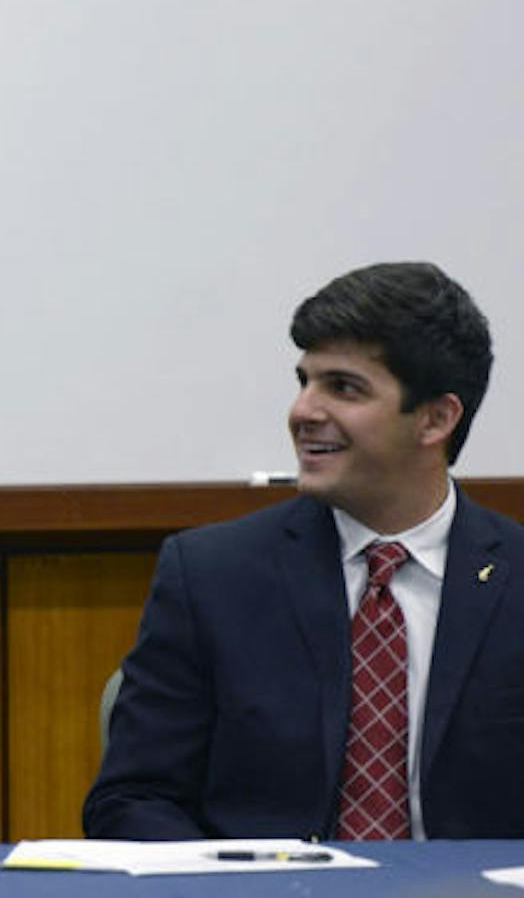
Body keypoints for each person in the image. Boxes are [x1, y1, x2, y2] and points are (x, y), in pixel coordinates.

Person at [83, 261, 524, 840]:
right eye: (304, 382)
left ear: (435, 419)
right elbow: (133, 798)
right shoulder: (214, 576)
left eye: (343, 387)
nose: (304, 412)